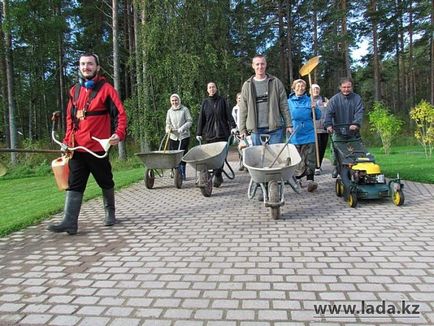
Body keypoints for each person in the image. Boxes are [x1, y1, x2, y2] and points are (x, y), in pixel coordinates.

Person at [48, 53, 127, 235]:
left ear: (97, 67)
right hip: (77, 147)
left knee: (105, 180)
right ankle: (69, 222)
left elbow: (121, 115)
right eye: (83, 64)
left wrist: (118, 134)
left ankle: (110, 212)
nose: (86, 67)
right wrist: (67, 141)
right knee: (74, 183)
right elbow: (70, 119)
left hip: (97, 148)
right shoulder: (74, 90)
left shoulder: (107, 89)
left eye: (90, 64)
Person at [238, 54, 292, 145]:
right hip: (256, 130)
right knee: (258, 158)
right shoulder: (247, 85)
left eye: (262, 64)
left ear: (266, 64)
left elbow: (284, 105)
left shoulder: (276, 82)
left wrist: (289, 124)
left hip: (275, 129)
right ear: (253, 66)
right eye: (257, 64)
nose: (260, 67)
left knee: (276, 157)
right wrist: (242, 129)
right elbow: (243, 109)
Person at [196, 82, 236, 187]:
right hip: (210, 135)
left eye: (213, 87)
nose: (212, 89)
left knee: (220, 157)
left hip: (222, 134)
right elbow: (201, 119)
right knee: (212, 157)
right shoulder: (205, 103)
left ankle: (218, 174)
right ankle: (216, 173)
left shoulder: (222, 101)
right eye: (210, 87)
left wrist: (233, 127)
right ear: (207, 90)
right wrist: (199, 132)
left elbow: (229, 115)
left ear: (216, 88)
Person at [324, 77, 364, 178]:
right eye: (344, 87)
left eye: (348, 87)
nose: (346, 89)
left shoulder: (357, 98)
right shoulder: (334, 100)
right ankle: (337, 166)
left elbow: (359, 112)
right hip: (338, 130)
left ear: (352, 87)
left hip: (353, 131)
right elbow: (328, 113)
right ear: (340, 87)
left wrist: (356, 123)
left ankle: (356, 168)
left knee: (357, 150)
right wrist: (328, 125)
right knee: (336, 150)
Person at [288, 79, 321, 192]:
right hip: (295, 134)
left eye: (302, 86)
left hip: (309, 133)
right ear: (294, 88)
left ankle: (310, 180)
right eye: (298, 86)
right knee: (297, 158)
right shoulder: (289, 102)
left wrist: (315, 107)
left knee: (310, 157)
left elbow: (318, 116)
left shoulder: (309, 100)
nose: (300, 88)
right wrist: (287, 126)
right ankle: (298, 179)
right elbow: (284, 117)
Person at [165, 93, 192, 180]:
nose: (174, 102)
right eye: (172, 101)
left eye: (176, 100)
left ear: (179, 100)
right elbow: (168, 123)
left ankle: (183, 173)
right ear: (170, 102)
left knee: (182, 155)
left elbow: (189, 121)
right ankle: (177, 173)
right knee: (174, 155)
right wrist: (168, 129)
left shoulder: (184, 109)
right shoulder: (169, 111)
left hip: (183, 136)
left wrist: (183, 127)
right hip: (173, 137)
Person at [311, 84, 329, 175]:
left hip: (324, 128)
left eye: (317, 89)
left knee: (322, 148)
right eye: (314, 89)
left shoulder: (324, 100)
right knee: (315, 149)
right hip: (313, 129)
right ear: (310, 90)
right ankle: (315, 166)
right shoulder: (308, 100)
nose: (316, 90)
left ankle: (319, 165)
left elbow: (329, 112)